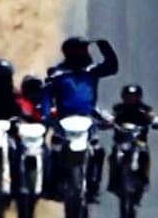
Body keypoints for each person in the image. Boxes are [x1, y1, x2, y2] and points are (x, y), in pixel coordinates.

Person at [41, 37, 118, 203]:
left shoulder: (91, 70)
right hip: (64, 121)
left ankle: (93, 186)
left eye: (86, 49)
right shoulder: (58, 73)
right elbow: (46, 96)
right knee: (54, 150)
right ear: (70, 52)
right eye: (82, 49)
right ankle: (52, 186)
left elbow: (112, 67)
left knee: (97, 150)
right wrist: (46, 116)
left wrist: (105, 47)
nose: (86, 52)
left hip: (87, 119)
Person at [107, 83, 158, 195]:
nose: (131, 99)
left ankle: (144, 178)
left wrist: (155, 120)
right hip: (120, 141)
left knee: (144, 154)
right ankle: (113, 179)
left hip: (139, 142)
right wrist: (107, 121)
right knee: (113, 156)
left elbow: (153, 117)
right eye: (128, 96)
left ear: (139, 96)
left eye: (134, 96)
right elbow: (110, 117)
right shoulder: (118, 108)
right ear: (123, 96)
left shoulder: (145, 109)